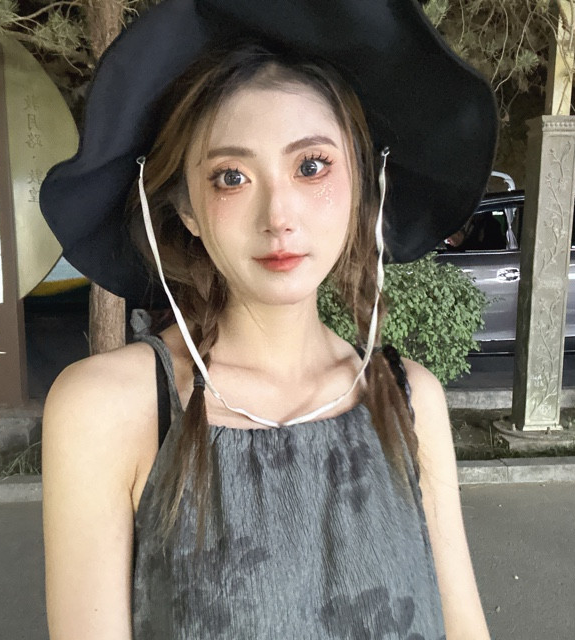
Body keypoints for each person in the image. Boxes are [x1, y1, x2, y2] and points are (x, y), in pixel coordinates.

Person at [39, 1, 498, 638]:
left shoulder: (411, 399)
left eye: (311, 166)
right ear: (187, 210)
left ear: (361, 184)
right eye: (231, 177)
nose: (278, 215)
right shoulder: (108, 409)